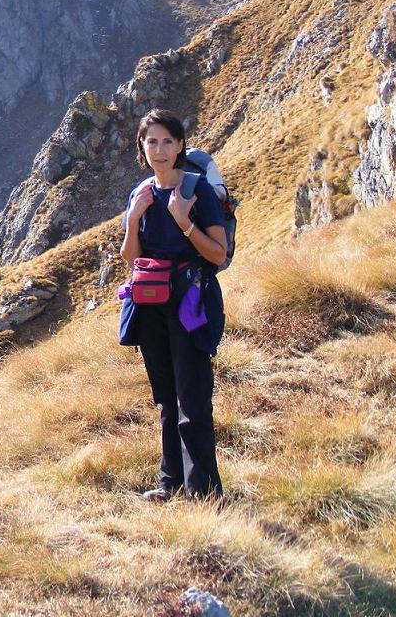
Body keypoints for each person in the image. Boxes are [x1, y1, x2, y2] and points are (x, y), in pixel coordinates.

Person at [118, 108, 227, 501]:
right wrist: (133, 220)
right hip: (149, 305)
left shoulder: (195, 190)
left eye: (167, 141)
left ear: (180, 145)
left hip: (189, 303)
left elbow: (218, 254)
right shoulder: (140, 194)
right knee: (166, 398)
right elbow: (131, 258)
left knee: (192, 398)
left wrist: (184, 221)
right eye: (152, 142)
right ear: (142, 147)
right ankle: (171, 484)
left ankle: (205, 493)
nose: (159, 149)